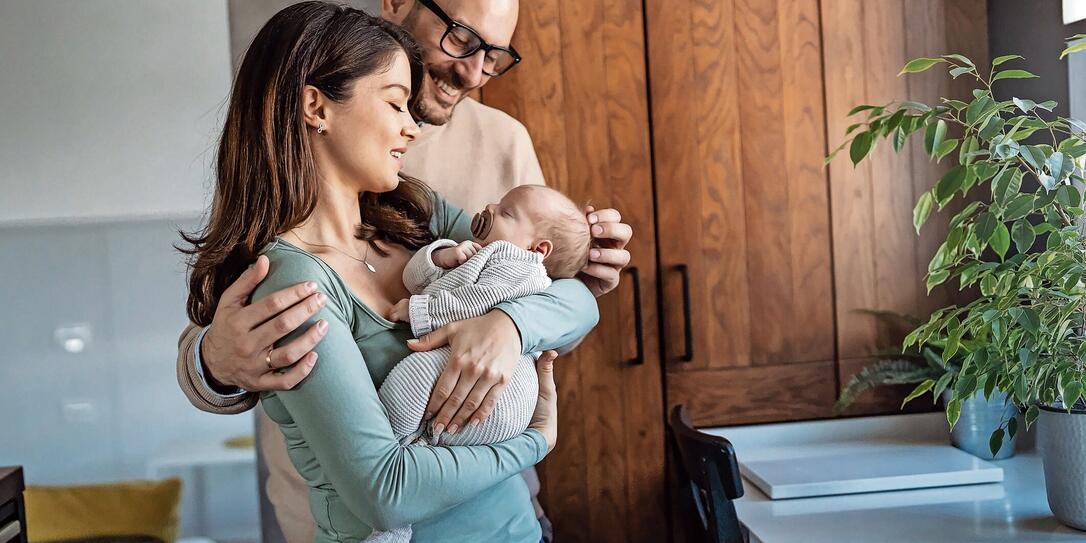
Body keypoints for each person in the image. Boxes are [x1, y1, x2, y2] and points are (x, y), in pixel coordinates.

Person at [175, 0, 632, 540]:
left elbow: (571, 294)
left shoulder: (415, 209)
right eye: (396, 104)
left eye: (494, 56)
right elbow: (387, 493)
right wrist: (534, 441)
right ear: (315, 108)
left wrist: (509, 326)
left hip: (515, 526)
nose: (412, 128)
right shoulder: (290, 279)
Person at [368, 185, 590, 542]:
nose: (488, 207)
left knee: (411, 376)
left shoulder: (521, 268)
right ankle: (407, 456)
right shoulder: (483, 256)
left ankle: (398, 455)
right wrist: (441, 256)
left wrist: (418, 310)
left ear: (539, 248)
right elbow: (416, 279)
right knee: (419, 382)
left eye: (506, 212)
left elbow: (472, 305)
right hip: (483, 396)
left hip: (504, 394)